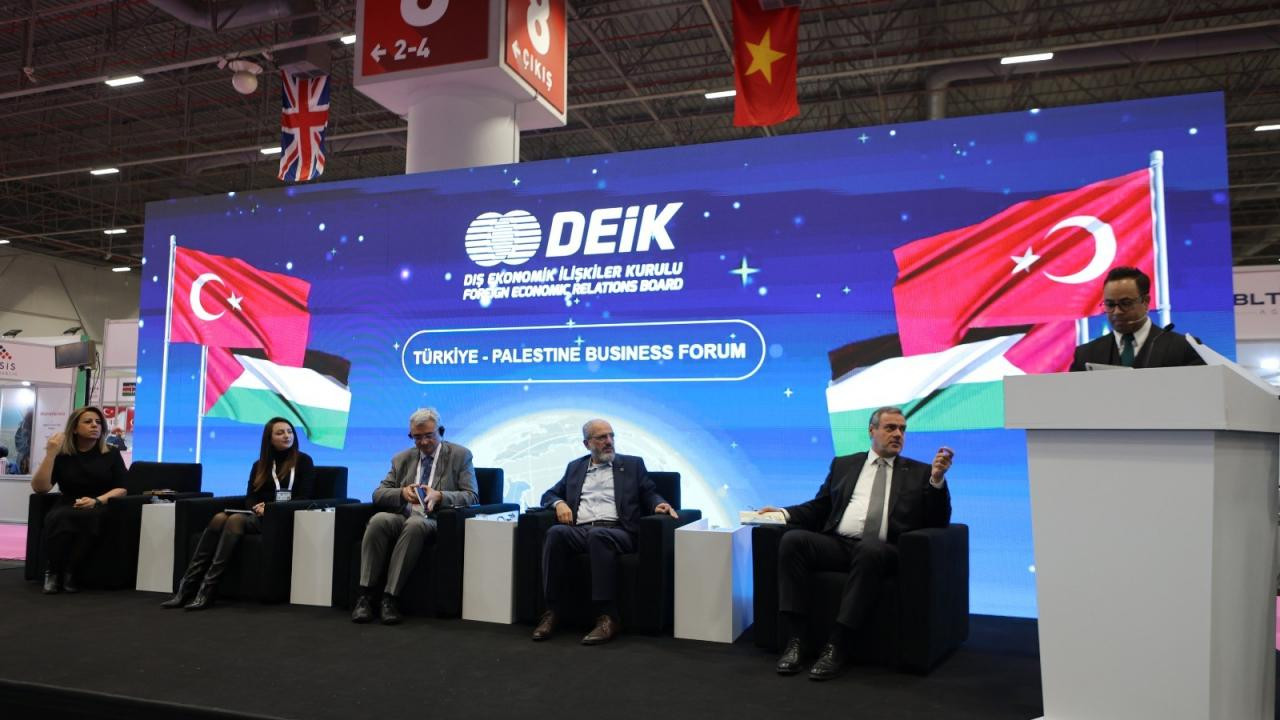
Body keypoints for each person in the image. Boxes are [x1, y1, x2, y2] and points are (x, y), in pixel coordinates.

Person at [759, 406, 952, 680]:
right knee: (793, 541)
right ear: (872, 431)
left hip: (885, 550)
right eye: (890, 428)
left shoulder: (920, 472)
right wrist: (782, 513)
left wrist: (937, 480)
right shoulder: (844, 464)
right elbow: (821, 506)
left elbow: (939, 520)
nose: (898, 434)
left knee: (869, 549)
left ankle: (837, 644)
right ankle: (796, 641)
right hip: (839, 545)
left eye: (902, 429)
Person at [531, 418, 678, 645]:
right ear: (587, 444)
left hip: (619, 531)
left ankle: (607, 617)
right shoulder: (575, 467)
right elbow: (549, 494)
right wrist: (559, 503)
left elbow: (649, 492)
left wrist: (659, 504)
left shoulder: (632, 465)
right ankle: (552, 611)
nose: (609, 441)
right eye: (601, 437)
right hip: (581, 530)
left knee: (598, 536)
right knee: (555, 533)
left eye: (611, 436)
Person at [161, 417, 315, 610]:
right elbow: (250, 496)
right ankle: (186, 587)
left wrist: (271, 508)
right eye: (280, 432)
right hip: (258, 516)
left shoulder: (303, 461)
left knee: (234, 520)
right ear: (269, 439)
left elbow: (305, 496)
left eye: (289, 432)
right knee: (219, 518)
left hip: (281, 518)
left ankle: (207, 589)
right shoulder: (260, 465)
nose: (287, 436)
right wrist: (256, 507)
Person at [351, 407, 477, 625]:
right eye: (417, 437)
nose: (424, 442)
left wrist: (440, 496)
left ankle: (390, 598)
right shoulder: (401, 459)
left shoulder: (460, 456)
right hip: (404, 514)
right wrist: (401, 493)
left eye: (429, 435)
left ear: (441, 431)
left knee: (415, 525)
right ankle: (365, 596)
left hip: (435, 519)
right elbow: (378, 494)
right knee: (378, 521)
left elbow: (472, 496)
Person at [30, 406, 128, 594]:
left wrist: (97, 500)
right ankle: (52, 572)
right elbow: (40, 487)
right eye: (88, 422)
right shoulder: (62, 455)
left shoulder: (111, 453)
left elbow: (122, 488)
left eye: (98, 422)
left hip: (100, 502)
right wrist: (50, 454)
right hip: (68, 501)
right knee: (58, 518)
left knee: (90, 518)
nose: (95, 426)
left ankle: (70, 572)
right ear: (74, 428)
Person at [1070, 266, 1205, 371]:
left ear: (1145, 302)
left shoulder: (1184, 348)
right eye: (1110, 305)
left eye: (1125, 303)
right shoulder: (1086, 354)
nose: (1117, 312)